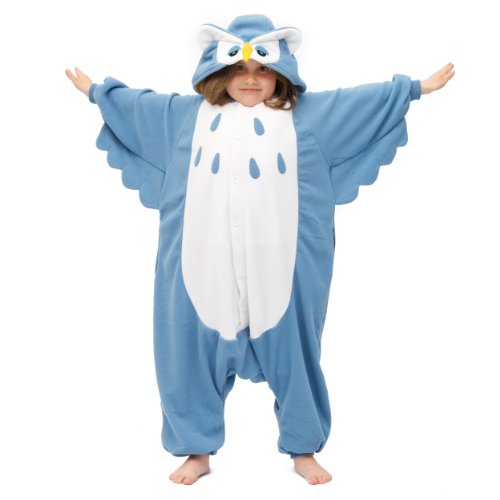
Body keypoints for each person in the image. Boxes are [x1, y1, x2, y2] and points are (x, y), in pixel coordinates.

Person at [65, 14, 454, 486]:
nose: (250, 79)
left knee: (297, 354)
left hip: (282, 271)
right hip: (199, 269)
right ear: (218, 71)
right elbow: (138, 107)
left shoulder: (307, 118)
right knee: (186, 354)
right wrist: (98, 92)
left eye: (263, 69)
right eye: (239, 69)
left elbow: (357, 104)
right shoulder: (183, 119)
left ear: (281, 72)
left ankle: (303, 447)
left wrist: (414, 88)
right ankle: (196, 450)